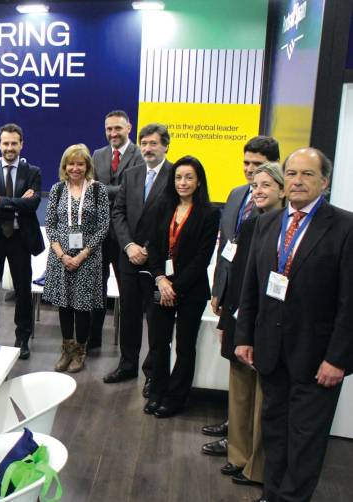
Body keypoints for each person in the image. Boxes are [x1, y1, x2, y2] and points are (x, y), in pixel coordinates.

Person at [235, 148, 353, 502]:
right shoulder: (266, 222)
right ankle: (272, 495)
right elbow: (252, 285)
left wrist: (339, 358)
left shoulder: (345, 227)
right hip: (271, 353)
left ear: (325, 181)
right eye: (292, 174)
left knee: (305, 440)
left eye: (307, 174)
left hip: (318, 359)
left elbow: (350, 302)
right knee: (274, 432)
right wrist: (244, 337)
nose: (298, 181)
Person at [201, 135, 280, 455]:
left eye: (257, 165)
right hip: (232, 294)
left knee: (255, 373)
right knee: (235, 365)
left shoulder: (278, 207)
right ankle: (234, 425)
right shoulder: (235, 195)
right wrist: (218, 290)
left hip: (261, 301)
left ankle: (247, 439)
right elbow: (225, 248)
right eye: (246, 163)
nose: (249, 170)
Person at [143, 155, 219, 418]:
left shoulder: (210, 213)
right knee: (158, 343)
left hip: (190, 291)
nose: (183, 182)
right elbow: (152, 247)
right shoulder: (162, 206)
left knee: (184, 346)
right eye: (178, 177)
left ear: (199, 182)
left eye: (189, 177)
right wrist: (161, 280)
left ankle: (175, 397)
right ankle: (156, 392)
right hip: (161, 285)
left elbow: (203, 258)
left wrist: (175, 287)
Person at [105, 123, 173, 387]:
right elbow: (118, 213)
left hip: (157, 262)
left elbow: (173, 220)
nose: (147, 149)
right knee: (130, 314)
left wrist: (147, 249)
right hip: (128, 257)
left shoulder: (175, 175)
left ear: (165, 145)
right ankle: (127, 364)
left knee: (156, 320)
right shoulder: (132, 174)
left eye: (153, 143)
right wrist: (129, 246)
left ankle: (152, 373)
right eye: (144, 143)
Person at [0, 123, 44, 360]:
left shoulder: (32, 172)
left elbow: (33, 204)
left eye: (14, 143)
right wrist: (16, 203)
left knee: (23, 291)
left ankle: (22, 339)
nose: (10, 147)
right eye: (5, 143)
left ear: (21, 144)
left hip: (20, 239)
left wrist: (1, 201)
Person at [44, 144, 110, 373]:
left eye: (80, 164)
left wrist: (82, 255)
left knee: (82, 307)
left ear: (87, 166)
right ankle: (66, 350)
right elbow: (50, 225)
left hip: (88, 259)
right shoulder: (57, 189)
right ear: (65, 166)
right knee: (64, 305)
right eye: (71, 163)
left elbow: (103, 227)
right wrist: (62, 255)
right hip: (60, 258)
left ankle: (80, 352)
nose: (75, 168)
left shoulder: (97, 190)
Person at [90, 110, 144, 350]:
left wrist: (101, 189)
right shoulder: (98, 155)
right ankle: (94, 340)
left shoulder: (140, 155)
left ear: (128, 128)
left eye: (117, 128)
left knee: (128, 293)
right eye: (109, 129)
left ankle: (127, 349)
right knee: (96, 288)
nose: (113, 133)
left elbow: (132, 191)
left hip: (127, 236)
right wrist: (110, 189)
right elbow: (89, 189)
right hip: (99, 234)